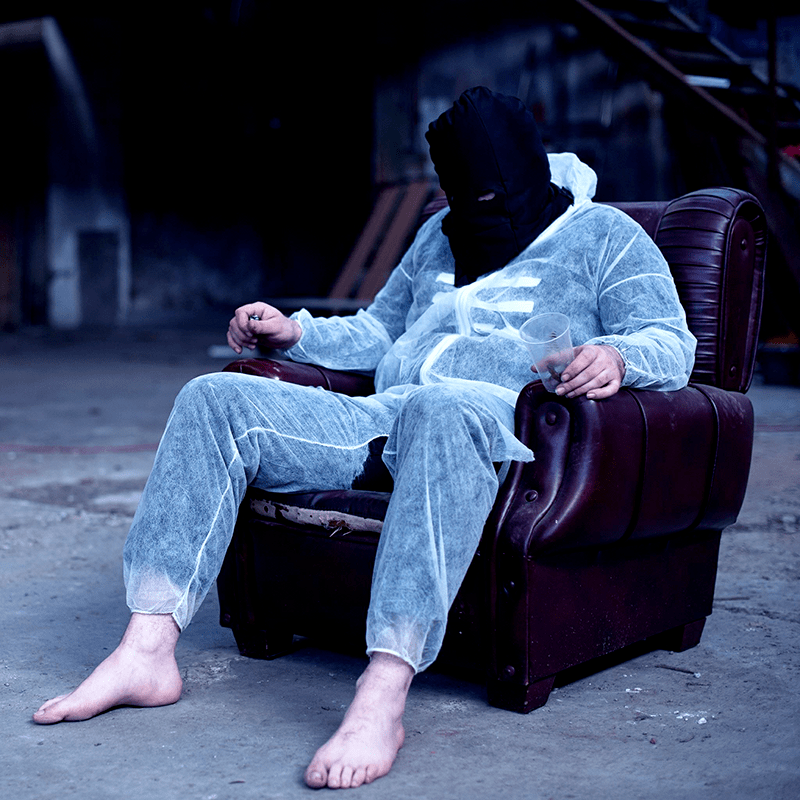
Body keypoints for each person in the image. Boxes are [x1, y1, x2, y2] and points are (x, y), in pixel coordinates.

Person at [32, 87, 696, 789]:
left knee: (441, 407)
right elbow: (381, 329)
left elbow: (670, 340)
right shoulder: (438, 234)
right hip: (384, 415)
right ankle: (146, 650)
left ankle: (383, 691)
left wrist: (618, 357)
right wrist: (296, 331)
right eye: (465, 207)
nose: (479, 222)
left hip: (491, 426)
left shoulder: (606, 236)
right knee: (213, 398)